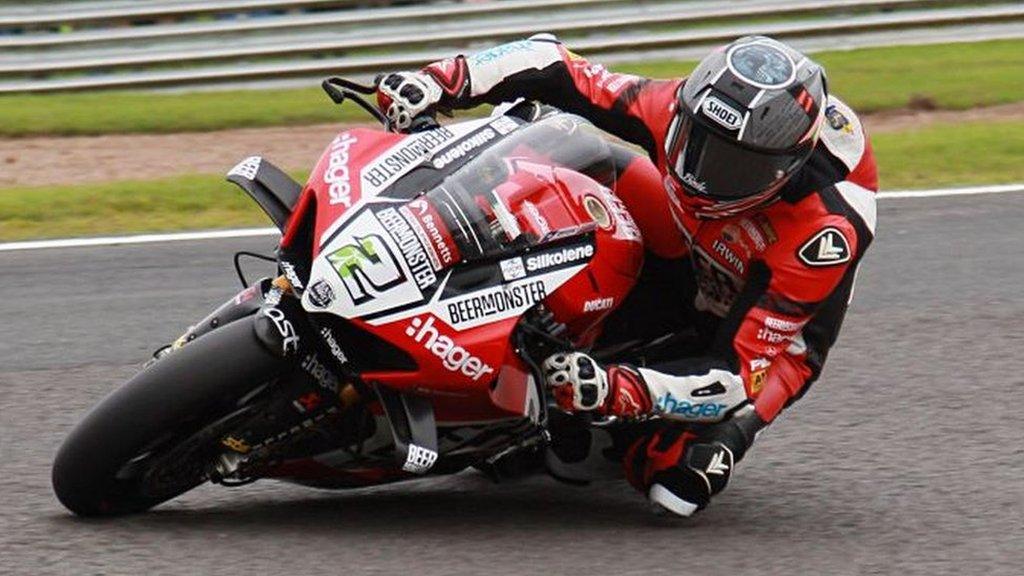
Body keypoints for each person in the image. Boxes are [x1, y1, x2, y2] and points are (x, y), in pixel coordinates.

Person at [375, 34, 878, 517]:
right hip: (686, 243)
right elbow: (556, 65)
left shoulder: (823, 233)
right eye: (694, 142)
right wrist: (443, 81)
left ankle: (587, 431)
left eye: (730, 165)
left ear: (783, 169)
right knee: (570, 152)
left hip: (767, 343)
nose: (699, 172)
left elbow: (735, 374)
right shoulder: (681, 106)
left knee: (679, 483)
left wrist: (616, 388)